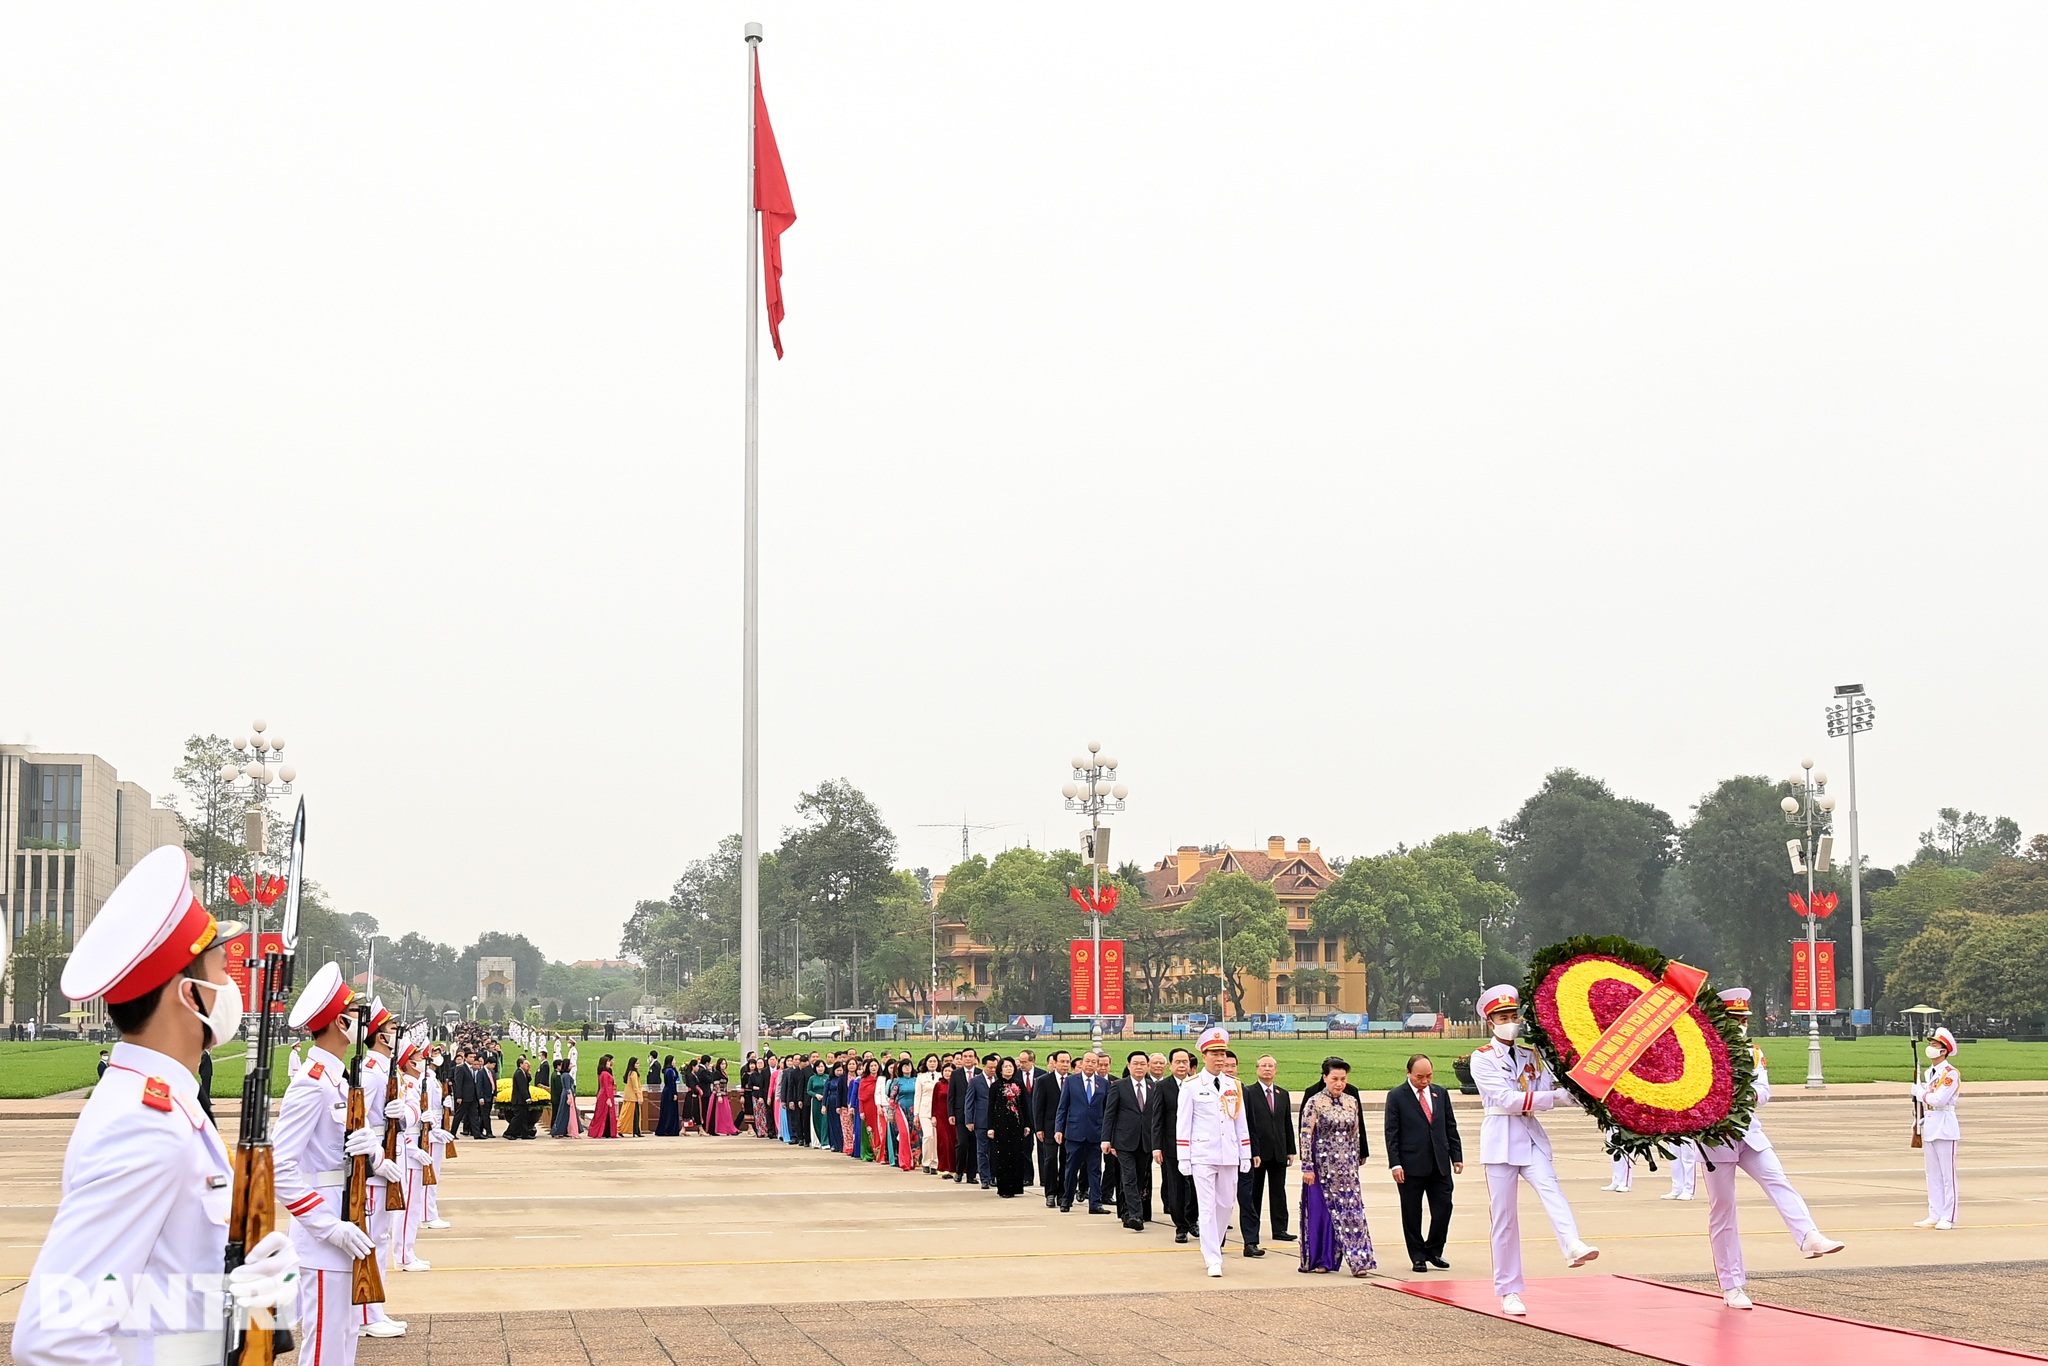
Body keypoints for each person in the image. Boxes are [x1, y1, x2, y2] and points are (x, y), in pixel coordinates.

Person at [11, 845, 303, 1366]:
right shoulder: (145, 1126)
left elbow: (155, 1291)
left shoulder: (166, 1105)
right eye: (221, 970)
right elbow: (54, 1339)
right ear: (187, 995)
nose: (231, 986)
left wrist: (249, 1300)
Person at [1702, 988, 1844, 1310]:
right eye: (1735, 1019)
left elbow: (1764, 1090)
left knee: (1778, 1179)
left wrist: (1748, 1097)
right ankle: (1731, 1284)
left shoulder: (1753, 1052)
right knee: (1723, 1211)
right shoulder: (1704, 1052)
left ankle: (1809, 1236)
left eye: (1744, 1019)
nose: (1741, 1025)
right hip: (1716, 1138)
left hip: (1749, 1132)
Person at [1471, 984, 1599, 1317]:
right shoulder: (1482, 1058)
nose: (1510, 1021)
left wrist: (1573, 1093)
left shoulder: (1532, 1055)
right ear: (1490, 1021)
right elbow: (1507, 1100)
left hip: (1530, 1135)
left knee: (1551, 1188)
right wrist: (1553, 1098)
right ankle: (1509, 1289)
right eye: (1503, 1016)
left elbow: (1548, 1090)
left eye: (1514, 1015)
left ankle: (1572, 1243)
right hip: (1500, 1138)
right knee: (1504, 1220)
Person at [276, 960, 380, 1366]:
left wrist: (370, 1150)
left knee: (345, 1335)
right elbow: (281, 1166)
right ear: (340, 1021)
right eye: (355, 1014)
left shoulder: (337, 1079)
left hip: (349, 1218)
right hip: (325, 1234)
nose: (361, 1022)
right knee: (324, 1346)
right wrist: (327, 1227)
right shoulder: (312, 1082)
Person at [1177, 1026, 1252, 1278]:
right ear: (1204, 1055)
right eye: (1215, 1054)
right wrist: (1183, 1156)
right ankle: (1212, 1257)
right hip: (1202, 1153)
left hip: (1229, 1153)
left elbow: (1240, 1122)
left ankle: (1215, 1245)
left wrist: (1245, 1153)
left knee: (1226, 1204)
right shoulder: (1191, 1085)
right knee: (1207, 1207)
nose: (1220, 1059)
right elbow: (1183, 1122)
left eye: (1223, 1054)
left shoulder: (1234, 1085)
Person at [1297, 1056, 1376, 1277]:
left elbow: (1356, 1134)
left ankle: (1360, 1260)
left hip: (1348, 1167)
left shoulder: (1352, 1101)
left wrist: (1358, 1158)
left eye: (1342, 1079)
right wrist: (1307, 1167)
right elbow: (1305, 1135)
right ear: (1325, 1078)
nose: (1339, 1083)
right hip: (1323, 1167)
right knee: (1325, 1214)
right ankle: (1323, 1259)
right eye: (1334, 1079)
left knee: (1353, 1213)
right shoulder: (1314, 1102)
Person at [1385, 1053, 1461, 1272]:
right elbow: (1392, 1132)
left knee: (1443, 1209)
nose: (1425, 1081)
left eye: (1428, 1076)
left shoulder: (1440, 1093)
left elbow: (1450, 1126)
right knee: (1412, 1212)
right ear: (1409, 1073)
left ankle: (1434, 1250)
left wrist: (1456, 1156)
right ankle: (1417, 1255)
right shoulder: (1397, 1096)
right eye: (1420, 1077)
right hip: (1410, 1165)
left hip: (1440, 1163)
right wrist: (1395, 1164)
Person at [1240, 1053, 1295, 1250]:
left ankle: (1280, 1228)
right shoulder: (1248, 1092)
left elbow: (1286, 1123)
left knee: (1278, 1191)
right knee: (1254, 1193)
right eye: (1263, 1066)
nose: (1267, 1069)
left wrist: (1290, 1149)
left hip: (1278, 1150)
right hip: (1257, 1152)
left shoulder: (1283, 1094)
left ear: (1276, 1070)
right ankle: (1252, 1232)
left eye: (1271, 1066)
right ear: (1257, 1069)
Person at [1103, 1049, 1157, 1232]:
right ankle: (1136, 1215)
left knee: (1141, 1179)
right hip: (1124, 1140)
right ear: (1129, 1066)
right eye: (1136, 1064)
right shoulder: (1119, 1085)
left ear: (1147, 1066)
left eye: (1143, 1064)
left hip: (1146, 1141)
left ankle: (1127, 1212)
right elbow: (1109, 1114)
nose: (1139, 1067)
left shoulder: (1153, 1087)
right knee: (1129, 1177)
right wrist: (1106, 1139)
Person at [1916, 1026, 1962, 1229]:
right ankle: (1934, 1212)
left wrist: (1920, 1093)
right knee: (1932, 1173)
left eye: (1934, 1045)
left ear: (1944, 1050)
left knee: (1947, 1174)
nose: (1931, 1048)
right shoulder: (1930, 1073)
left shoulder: (1950, 1074)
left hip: (1945, 1124)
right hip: (1930, 1123)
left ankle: (1948, 1216)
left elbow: (1939, 1098)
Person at [1150, 1049, 1196, 1244]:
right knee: (1176, 1187)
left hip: (1197, 1145)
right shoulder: (1163, 1087)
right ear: (1171, 1065)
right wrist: (1156, 1147)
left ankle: (1193, 1220)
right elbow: (1157, 1119)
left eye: (1185, 1062)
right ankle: (1181, 1226)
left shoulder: (1198, 1084)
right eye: (1177, 1062)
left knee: (1195, 1186)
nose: (1181, 1066)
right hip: (1172, 1146)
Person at [1054, 1051, 1108, 1213]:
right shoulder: (1071, 1081)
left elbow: (1106, 1111)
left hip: (1095, 1133)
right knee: (1071, 1168)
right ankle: (1066, 1199)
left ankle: (1095, 1203)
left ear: (1097, 1065)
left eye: (1094, 1062)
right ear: (1082, 1063)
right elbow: (1062, 1107)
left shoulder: (1103, 1083)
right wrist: (1059, 1129)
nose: (1090, 1064)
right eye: (1087, 1061)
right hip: (1074, 1132)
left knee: (1095, 1169)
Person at [990, 1058, 1034, 1196]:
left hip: (1017, 1123)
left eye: (1011, 1066)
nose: (1008, 1068)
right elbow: (990, 1107)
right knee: (1003, 1155)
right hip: (1001, 1124)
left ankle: (1016, 1187)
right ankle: (1004, 1188)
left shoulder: (1019, 1084)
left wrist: (1027, 1124)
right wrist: (990, 1127)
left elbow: (1026, 1106)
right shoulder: (996, 1086)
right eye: (1005, 1066)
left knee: (1017, 1154)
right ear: (1000, 1069)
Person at [1032, 1051, 1068, 1207]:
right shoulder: (1043, 1081)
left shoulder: (1074, 1080)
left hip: (1069, 1127)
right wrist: (1038, 1128)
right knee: (1051, 1159)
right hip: (1049, 1127)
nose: (1065, 1065)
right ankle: (1050, 1193)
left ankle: (1063, 1193)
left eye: (1068, 1061)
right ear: (1054, 1063)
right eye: (1062, 1061)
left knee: (1066, 1161)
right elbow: (1038, 1106)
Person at [964, 1054, 996, 1186]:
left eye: (995, 1068)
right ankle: (985, 1178)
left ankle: (994, 1176)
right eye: (990, 1068)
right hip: (981, 1121)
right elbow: (969, 1102)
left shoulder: (999, 1080)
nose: (993, 1070)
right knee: (982, 1150)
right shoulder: (975, 1081)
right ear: (984, 1066)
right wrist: (969, 1120)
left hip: (996, 1121)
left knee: (995, 1151)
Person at [915, 1055, 941, 1172]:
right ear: (926, 1063)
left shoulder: (941, 1076)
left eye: (934, 1061)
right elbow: (918, 1095)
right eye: (930, 1061)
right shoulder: (921, 1077)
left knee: (936, 1138)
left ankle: (935, 1163)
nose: (932, 1063)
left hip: (938, 1111)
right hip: (924, 1110)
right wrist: (916, 1113)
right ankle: (925, 1162)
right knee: (928, 1136)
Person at [892, 1060, 920, 1169]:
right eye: (904, 1066)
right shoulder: (897, 1081)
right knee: (903, 1134)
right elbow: (892, 1098)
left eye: (909, 1065)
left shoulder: (916, 1080)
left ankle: (915, 1160)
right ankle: (904, 1161)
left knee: (915, 1135)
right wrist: (891, 1113)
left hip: (915, 1110)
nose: (907, 1068)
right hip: (901, 1110)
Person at [507, 1055, 539, 1139]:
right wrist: (527, 1098)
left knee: (524, 1117)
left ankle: (525, 1134)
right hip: (519, 1100)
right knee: (518, 1117)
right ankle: (509, 1132)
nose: (527, 1066)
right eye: (526, 1064)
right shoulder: (519, 1073)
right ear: (520, 1064)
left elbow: (526, 1083)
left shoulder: (522, 1073)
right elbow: (522, 1087)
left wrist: (528, 1074)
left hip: (521, 1100)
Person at [588, 1055, 618, 1138]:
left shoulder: (605, 1072)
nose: (609, 1063)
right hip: (605, 1095)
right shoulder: (605, 1074)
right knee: (602, 1113)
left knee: (606, 1113)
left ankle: (607, 1131)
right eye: (608, 1062)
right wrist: (608, 1097)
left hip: (607, 1094)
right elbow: (606, 1086)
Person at [656, 1055, 682, 1136]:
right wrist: (674, 1093)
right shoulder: (669, 1071)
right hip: (669, 1092)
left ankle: (671, 1129)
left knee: (670, 1110)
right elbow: (671, 1083)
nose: (675, 1062)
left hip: (669, 1091)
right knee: (669, 1111)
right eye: (674, 1060)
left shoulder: (671, 1070)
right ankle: (667, 1129)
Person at [621, 1055, 645, 1137]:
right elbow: (636, 1087)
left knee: (631, 1115)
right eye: (637, 1063)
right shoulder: (634, 1073)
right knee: (634, 1116)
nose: (638, 1065)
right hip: (632, 1098)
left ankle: (635, 1130)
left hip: (630, 1097)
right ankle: (633, 1130)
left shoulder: (630, 1073)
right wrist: (639, 1097)